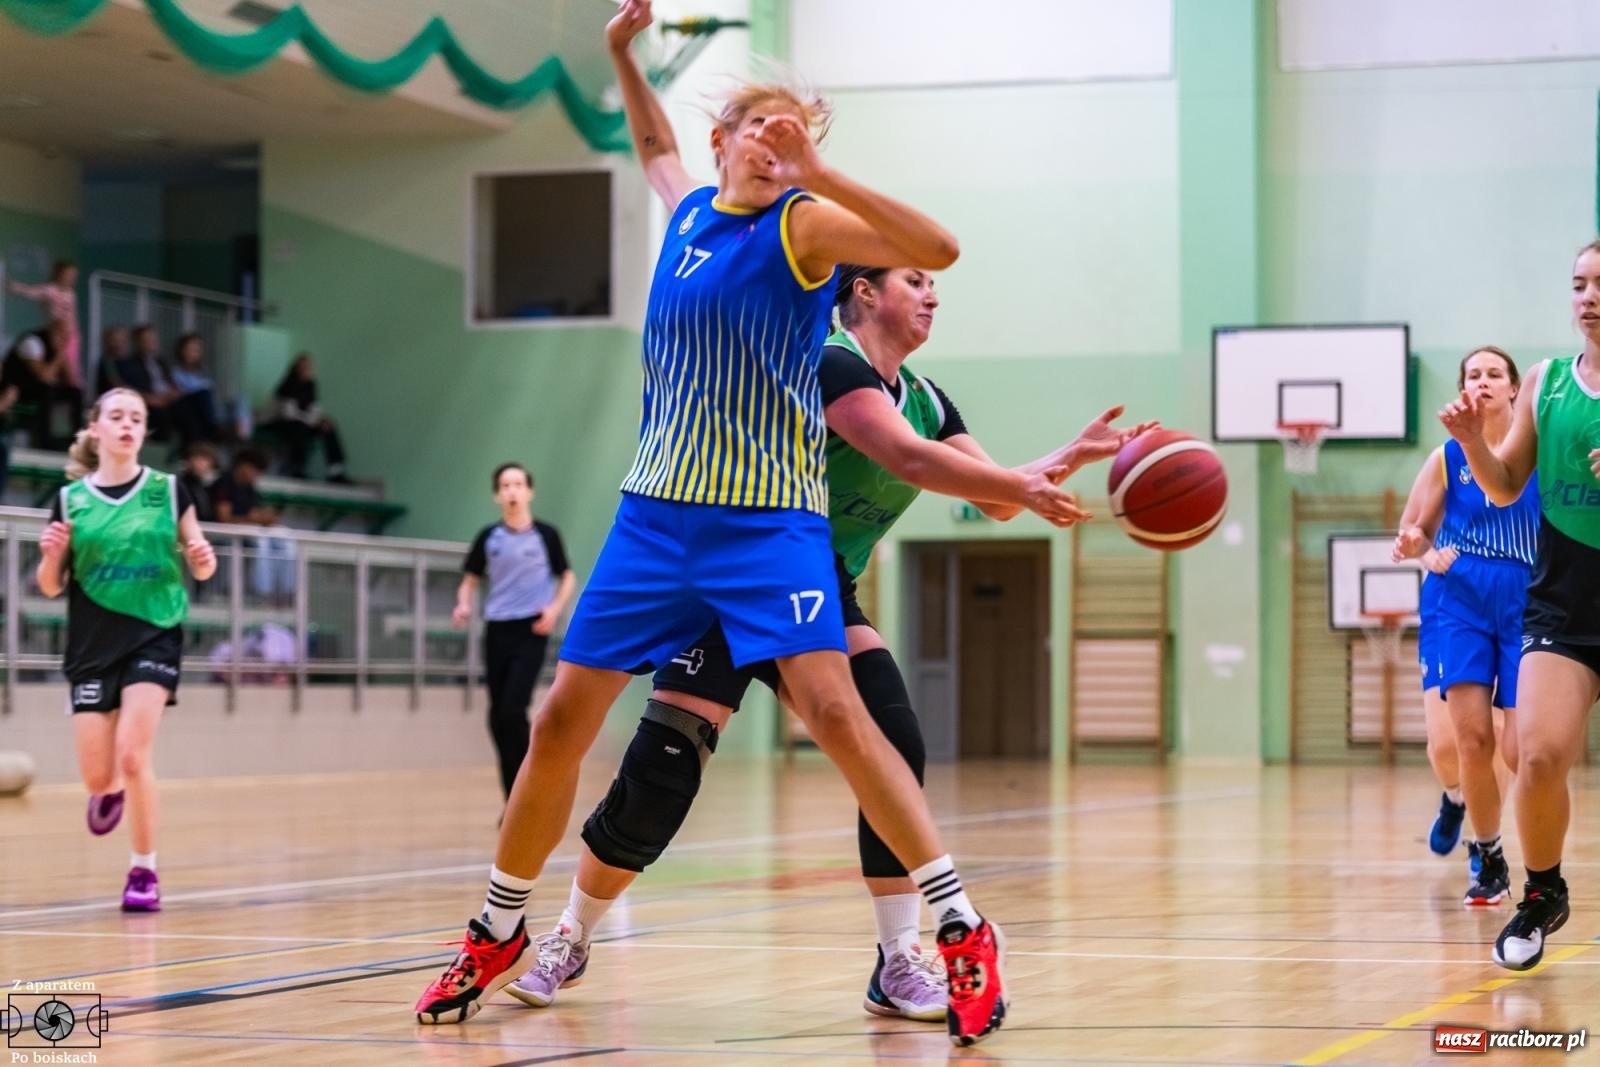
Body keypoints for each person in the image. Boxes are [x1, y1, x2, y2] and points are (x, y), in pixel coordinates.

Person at [412, 1, 1086, 1045]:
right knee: (559, 722)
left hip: (764, 521)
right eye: (759, 132)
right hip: (651, 518)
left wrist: (816, 168)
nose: (774, 148)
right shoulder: (687, 212)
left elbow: (937, 246)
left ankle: (957, 921)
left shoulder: (804, 226)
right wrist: (621, 54)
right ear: (723, 139)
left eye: (792, 136)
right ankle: (500, 922)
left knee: (841, 714)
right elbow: (649, 145)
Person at [506, 262, 1154, 1022]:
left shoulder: (928, 399)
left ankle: (896, 956)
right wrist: (1028, 482)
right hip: (737, 574)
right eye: (916, 279)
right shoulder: (828, 361)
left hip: (818, 589)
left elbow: (993, 496)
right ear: (867, 292)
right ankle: (570, 934)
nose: (934, 293)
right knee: (661, 769)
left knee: (893, 741)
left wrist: (1062, 460)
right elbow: (909, 460)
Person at [1438, 242, 1600, 969]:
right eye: (1578, 284)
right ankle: (1541, 892)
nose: (1588, 297)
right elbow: (1505, 484)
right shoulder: (1548, 381)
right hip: (1564, 600)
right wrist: (1475, 442)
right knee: (1535, 752)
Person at [35, 387, 216, 910]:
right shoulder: (71, 499)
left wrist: (202, 558)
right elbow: (50, 585)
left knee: (134, 756)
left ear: (143, 431)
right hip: (92, 642)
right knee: (98, 773)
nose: (127, 425)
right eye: (116, 416)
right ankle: (106, 790)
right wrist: (50, 557)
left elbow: (200, 563)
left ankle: (143, 872)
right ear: (95, 428)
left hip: (155, 631)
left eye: (136, 417)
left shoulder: (168, 489)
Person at [1397, 347, 1536, 908]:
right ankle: (1490, 855)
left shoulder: (1541, 452)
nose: (1482, 381)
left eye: (1493, 374)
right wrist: (1419, 551)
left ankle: (1524, 848)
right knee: (1464, 739)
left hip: (1529, 596)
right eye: (1472, 374)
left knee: (1522, 749)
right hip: (1460, 597)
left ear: (1513, 389)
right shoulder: (1446, 457)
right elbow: (1413, 530)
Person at [456, 463, 576, 800]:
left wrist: (553, 610)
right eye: (505, 485)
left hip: (531, 629)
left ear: (529, 492)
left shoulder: (546, 535)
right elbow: (469, 582)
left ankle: (532, 787)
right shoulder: (488, 537)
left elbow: (567, 576)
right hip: (497, 630)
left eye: (518, 484)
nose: (512, 491)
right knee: (497, 717)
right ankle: (514, 798)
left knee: (512, 709)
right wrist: (463, 605)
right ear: (497, 494)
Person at [214, 448, 294, 602]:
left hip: (248, 528)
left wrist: (265, 517)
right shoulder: (224, 483)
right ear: (243, 466)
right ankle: (263, 592)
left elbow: (253, 512)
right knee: (261, 542)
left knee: (286, 537)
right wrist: (254, 519)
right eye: (255, 471)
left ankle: (287, 592)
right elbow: (223, 519)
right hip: (225, 532)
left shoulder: (248, 487)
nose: (256, 476)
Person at [266, 353, 349, 482]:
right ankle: (297, 468)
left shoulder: (310, 386)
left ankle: (336, 470)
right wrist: (311, 421)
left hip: (303, 423)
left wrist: (319, 421)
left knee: (328, 426)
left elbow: (315, 409)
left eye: (309, 367)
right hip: (280, 423)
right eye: (304, 366)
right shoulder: (287, 385)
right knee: (299, 427)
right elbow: (288, 413)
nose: (308, 369)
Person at [7, 259, 81, 387]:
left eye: (72, 277)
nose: (69, 280)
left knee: (72, 370)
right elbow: (30, 292)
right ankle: (62, 387)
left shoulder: (71, 294)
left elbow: (73, 315)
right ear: (58, 275)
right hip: (57, 333)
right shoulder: (49, 290)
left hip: (70, 334)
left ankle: (72, 390)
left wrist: (76, 334)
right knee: (62, 364)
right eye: (66, 276)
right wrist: (13, 286)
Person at [168, 333, 222, 448]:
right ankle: (212, 426)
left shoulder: (203, 372)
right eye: (190, 349)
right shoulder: (175, 371)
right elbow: (178, 392)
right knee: (201, 397)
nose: (193, 353)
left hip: (202, 409)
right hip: (184, 406)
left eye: (196, 350)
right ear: (182, 350)